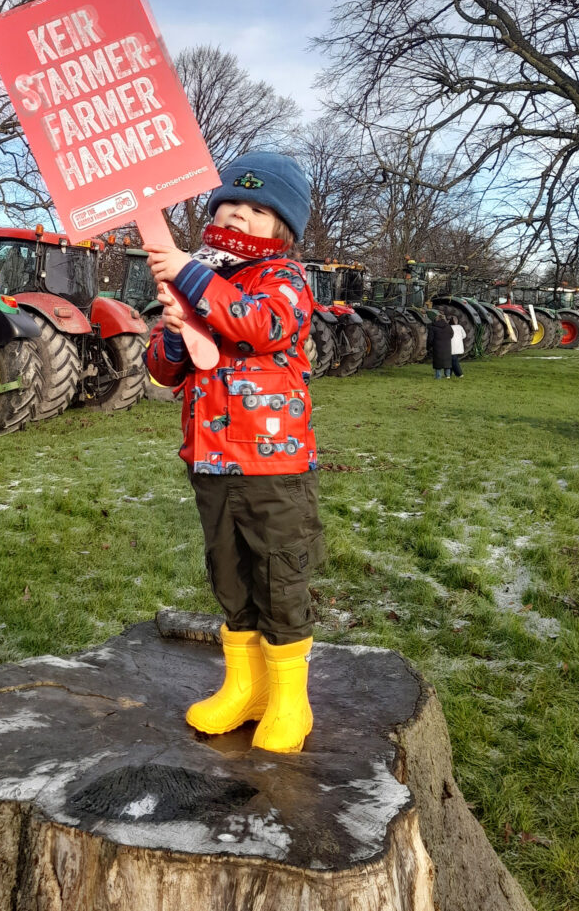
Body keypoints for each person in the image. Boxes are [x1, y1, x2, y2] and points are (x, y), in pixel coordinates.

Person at [144, 151, 325, 754]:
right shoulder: (196, 281)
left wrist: (190, 277)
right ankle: (244, 687)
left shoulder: (284, 281)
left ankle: (290, 699)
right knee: (231, 576)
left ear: (284, 228)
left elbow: (261, 325)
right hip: (210, 461)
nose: (239, 215)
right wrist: (173, 331)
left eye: (256, 208)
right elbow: (166, 371)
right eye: (229, 205)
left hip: (274, 465)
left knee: (280, 575)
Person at [428, 313, 453, 378]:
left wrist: (429, 346)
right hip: (447, 346)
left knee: (438, 361)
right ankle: (448, 375)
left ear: (436, 319)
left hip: (437, 346)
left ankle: (438, 376)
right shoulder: (448, 326)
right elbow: (451, 335)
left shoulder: (432, 327)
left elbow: (430, 338)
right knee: (447, 360)